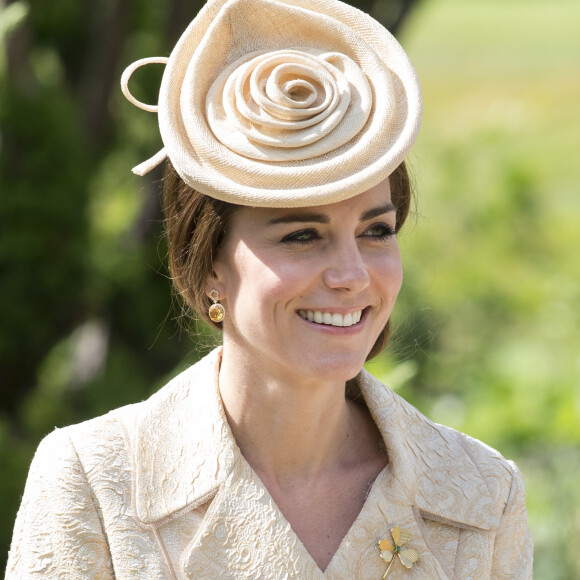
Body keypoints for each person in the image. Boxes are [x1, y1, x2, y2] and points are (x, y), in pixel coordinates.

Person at [6, 0, 533, 577]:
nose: (352, 275)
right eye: (303, 235)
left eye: (376, 230)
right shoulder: (96, 484)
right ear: (209, 264)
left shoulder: (480, 494)